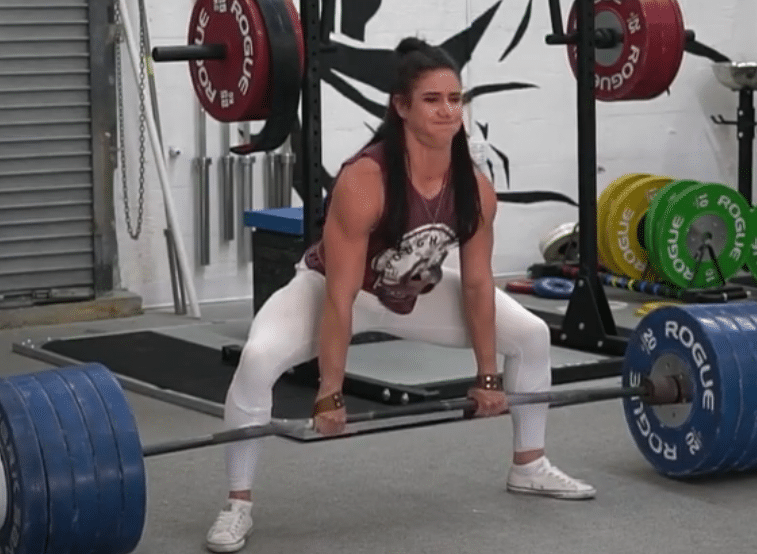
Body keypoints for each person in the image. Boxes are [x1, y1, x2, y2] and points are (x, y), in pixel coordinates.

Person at [205, 36, 595, 554]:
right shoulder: (366, 180)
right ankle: (237, 504)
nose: (448, 110)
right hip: (332, 289)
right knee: (257, 359)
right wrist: (330, 391)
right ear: (401, 107)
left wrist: (487, 377)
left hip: (412, 292)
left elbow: (477, 284)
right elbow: (340, 299)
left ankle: (529, 464)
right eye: (433, 100)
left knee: (530, 334)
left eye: (455, 98)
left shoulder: (474, 187)